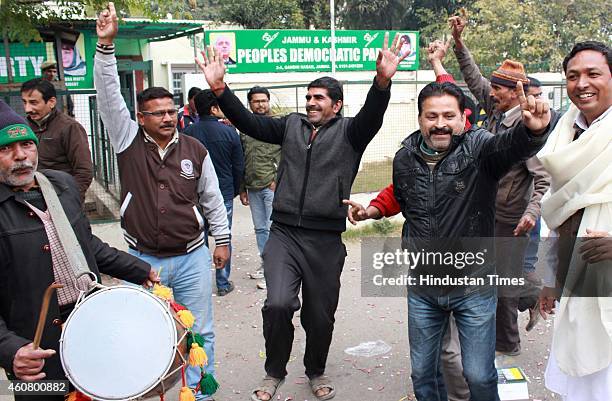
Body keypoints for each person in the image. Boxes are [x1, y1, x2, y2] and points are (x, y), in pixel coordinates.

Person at [197, 31, 409, 401]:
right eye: (308, 97)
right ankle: (273, 372)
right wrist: (220, 89)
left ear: (337, 105)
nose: (311, 102)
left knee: (319, 316)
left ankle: (316, 369)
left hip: (326, 239)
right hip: (284, 235)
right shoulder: (290, 125)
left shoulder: (351, 133)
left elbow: (374, 114)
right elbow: (250, 123)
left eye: (319, 98)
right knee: (277, 304)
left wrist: (382, 82)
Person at [367, 80, 549, 401]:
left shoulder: (479, 149)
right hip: (423, 289)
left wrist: (531, 133)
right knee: (423, 375)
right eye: (431, 116)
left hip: (474, 287)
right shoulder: (404, 160)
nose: (440, 124)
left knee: (479, 376)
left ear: (462, 117)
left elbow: (509, 147)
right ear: (420, 118)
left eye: (448, 116)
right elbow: (406, 204)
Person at [94, 4, 230, 400]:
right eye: (158, 113)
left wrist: (221, 241)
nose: (168, 117)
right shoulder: (126, 140)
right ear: (140, 117)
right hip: (143, 261)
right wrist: (105, 46)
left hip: (191, 259)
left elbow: (212, 200)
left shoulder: (195, 149)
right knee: (147, 334)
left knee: (199, 332)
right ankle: (152, 393)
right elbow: (106, 97)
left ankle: (201, 394)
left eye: (172, 110)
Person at [0, 99, 157, 401]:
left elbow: (86, 245)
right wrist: (10, 350)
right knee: (42, 397)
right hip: (34, 348)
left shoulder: (61, 186)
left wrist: (139, 269)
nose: (21, 156)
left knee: (103, 391)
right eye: (6, 149)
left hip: (90, 324)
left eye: (26, 145)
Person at [449, 15, 551, 355]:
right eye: (492, 88)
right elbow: (473, 77)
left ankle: (507, 343)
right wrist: (459, 44)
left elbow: (542, 177)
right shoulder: (494, 110)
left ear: (514, 93)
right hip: (483, 212)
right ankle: (524, 300)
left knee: (503, 283)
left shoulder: (525, 131)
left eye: (498, 89)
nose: (490, 93)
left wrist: (532, 212)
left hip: (510, 219)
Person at [537, 41, 612, 401]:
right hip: (576, 283)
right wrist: (551, 279)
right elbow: (560, 217)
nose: (582, 83)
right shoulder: (565, 135)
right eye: (573, 76)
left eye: (593, 74)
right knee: (581, 385)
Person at [184, 89, 244, 296]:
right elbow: (238, 166)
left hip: (194, 195)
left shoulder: (188, 133)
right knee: (223, 237)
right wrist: (236, 189)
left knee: (199, 239)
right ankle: (223, 283)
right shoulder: (229, 133)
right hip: (224, 192)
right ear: (213, 108)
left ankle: (199, 280)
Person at [21, 78, 93, 202]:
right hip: (31, 200)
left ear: (51, 102)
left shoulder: (69, 128)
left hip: (61, 200)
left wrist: (71, 200)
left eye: (33, 102)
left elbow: (84, 171)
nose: (27, 109)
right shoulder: (23, 128)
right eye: (24, 102)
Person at [239, 86, 281, 290]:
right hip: (252, 186)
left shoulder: (277, 125)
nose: (261, 104)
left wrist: (277, 180)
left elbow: (288, 156)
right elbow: (242, 158)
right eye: (256, 101)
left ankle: (273, 271)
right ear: (250, 104)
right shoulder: (245, 128)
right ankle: (266, 264)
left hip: (271, 185)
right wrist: (242, 188)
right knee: (260, 229)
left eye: (264, 100)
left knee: (274, 229)